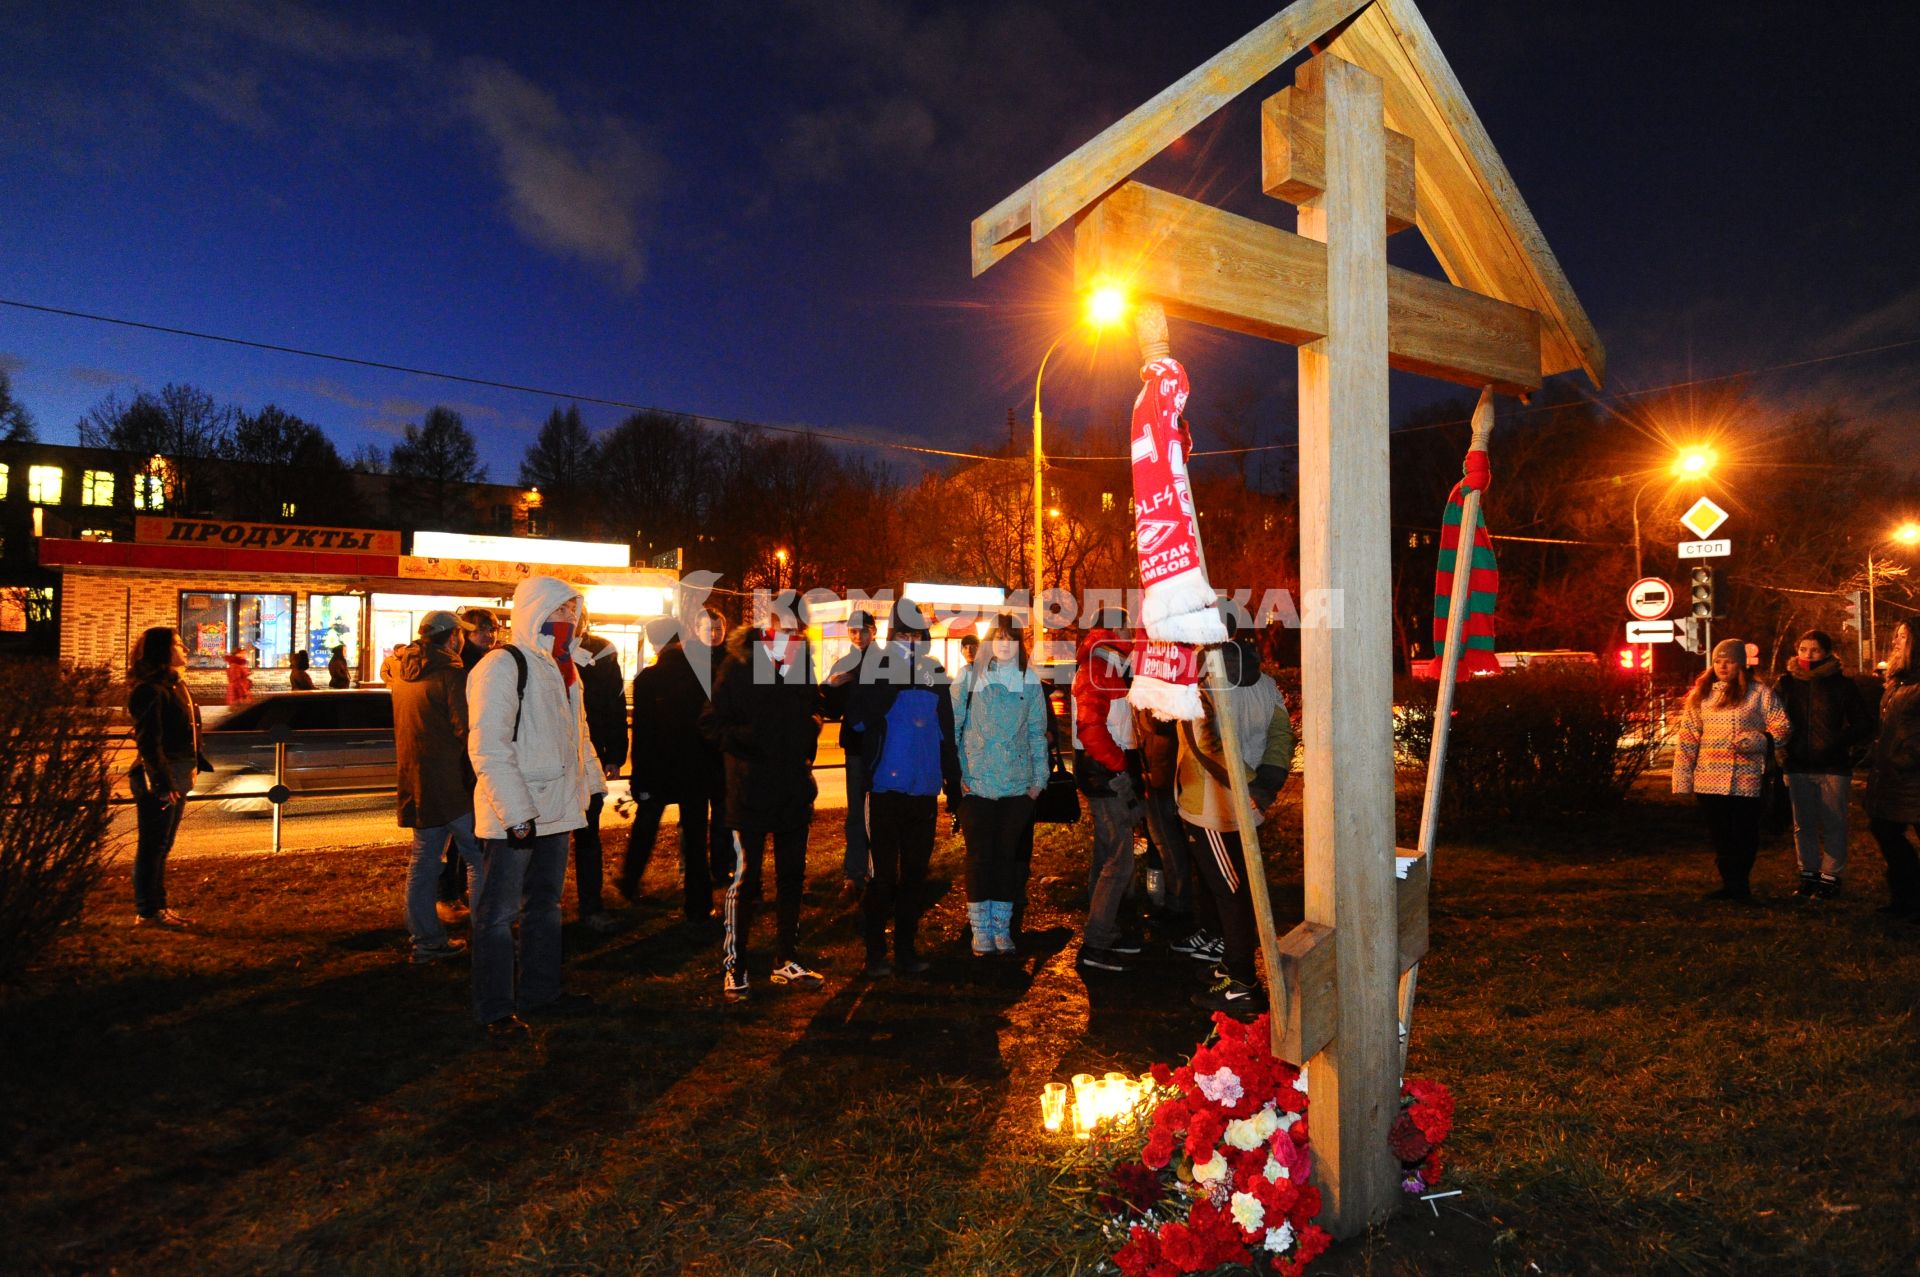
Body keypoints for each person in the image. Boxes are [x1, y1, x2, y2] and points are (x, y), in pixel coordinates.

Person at [466, 575, 607, 1042]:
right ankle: (495, 1009)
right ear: (534, 611)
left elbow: (577, 734)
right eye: (559, 610)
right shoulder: (502, 665)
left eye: (573, 611)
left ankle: (542, 991)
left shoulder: (564, 667)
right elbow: (488, 746)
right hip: (516, 816)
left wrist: (591, 784)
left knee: (545, 905)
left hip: (557, 810)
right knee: (498, 914)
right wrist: (516, 815)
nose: (568, 619)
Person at [702, 589, 825, 1001]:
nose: (788, 631)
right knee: (746, 881)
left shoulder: (802, 664)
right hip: (749, 792)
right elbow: (710, 723)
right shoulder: (738, 664)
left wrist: (807, 734)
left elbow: (808, 714)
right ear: (767, 622)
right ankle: (735, 965)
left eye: (795, 626)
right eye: (781, 623)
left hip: (791, 791)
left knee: (792, 878)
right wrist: (751, 740)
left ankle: (785, 958)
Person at [1177, 626, 1295, 1014]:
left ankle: (1242, 983)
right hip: (1250, 806)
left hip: (1213, 811)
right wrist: (1266, 786)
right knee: (1238, 890)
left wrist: (1251, 790)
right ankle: (1231, 965)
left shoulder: (1203, 689)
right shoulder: (1266, 684)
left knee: (1232, 896)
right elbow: (1282, 735)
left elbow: (1208, 746)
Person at [845, 598, 961, 977]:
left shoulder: (934, 673)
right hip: (884, 790)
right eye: (903, 634)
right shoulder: (875, 669)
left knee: (914, 877)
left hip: (923, 791)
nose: (910, 641)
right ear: (893, 634)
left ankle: (906, 951)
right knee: (883, 878)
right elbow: (856, 725)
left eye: (916, 635)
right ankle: (875, 953)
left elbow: (947, 734)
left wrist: (954, 784)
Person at [623, 609, 730, 925]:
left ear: (655, 644)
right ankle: (698, 904)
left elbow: (642, 733)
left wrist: (639, 777)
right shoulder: (704, 673)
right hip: (697, 769)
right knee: (695, 837)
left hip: (658, 768)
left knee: (646, 826)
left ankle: (630, 881)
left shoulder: (647, 680)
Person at [952, 613, 1047, 956]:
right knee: (979, 858)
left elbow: (1037, 734)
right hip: (975, 786)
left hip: (1016, 788)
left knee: (1007, 859)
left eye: (1012, 638)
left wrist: (1037, 782)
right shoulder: (969, 677)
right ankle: (980, 931)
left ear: (1020, 644)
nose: (1005, 644)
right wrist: (958, 777)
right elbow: (953, 725)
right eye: (999, 637)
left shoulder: (1030, 681)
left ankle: (1001, 929)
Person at [1673, 637, 1793, 902]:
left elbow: (1782, 726)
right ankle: (1731, 884)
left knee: (1745, 833)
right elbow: (1688, 738)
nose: (1723, 666)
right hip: (1709, 779)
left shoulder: (1760, 694)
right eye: (1718, 661)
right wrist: (1683, 779)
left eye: (1729, 661)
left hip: (1746, 778)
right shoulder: (1702, 696)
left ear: (1741, 664)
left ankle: (1740, 884)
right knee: (1721, 835)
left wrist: (1761, 740)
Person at [391, 611, 479, 964]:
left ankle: (426, 942)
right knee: (480, 857)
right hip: (454, 786)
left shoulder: (400, 671)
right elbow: (466, 728)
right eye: (461, 634)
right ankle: (489, 932)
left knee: (424, 861)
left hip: (417, 781)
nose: (463, 639)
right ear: (452, 636)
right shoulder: (451, 673)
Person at [1073, 608, 1144, 973]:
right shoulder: (1097, 669)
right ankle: (1096, 943)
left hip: (1103, 771)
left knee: (1106, 854)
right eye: (1126, 626)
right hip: (1106, 774)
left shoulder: (1106, 666)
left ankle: (1105, 930)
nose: (1131, 631)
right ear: (1112, 630)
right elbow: (1090, 727)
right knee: (1120, 859)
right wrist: (1120, 765)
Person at [1778, 629, 1873, 901]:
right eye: (1804, 649)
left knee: (1834, 823)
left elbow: (1863, 723)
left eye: (1815, 650)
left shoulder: (1842, 685)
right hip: (1797, 764)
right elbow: (1775, 720)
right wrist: (1783, 750)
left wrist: (1838, 742)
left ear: (1827, 652)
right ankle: (1808, 876)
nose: (1809, 655)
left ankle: (1830, 878)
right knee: (1803, 824)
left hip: (1833, 766)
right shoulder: (1786, 684)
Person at [127, 627, 203, 929]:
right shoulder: (150, 690)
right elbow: (149, 742)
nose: (185, 648)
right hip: (161, 779)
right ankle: (147, 910)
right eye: (177, 644)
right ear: (162, 651)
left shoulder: (174, 686)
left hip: (177, 775)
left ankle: (158, 907)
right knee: (153, 846)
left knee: (163, 845)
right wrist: (162, 783)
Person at [1137, 701, 1222, 965]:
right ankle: (1177, 902)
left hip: (1165, 774)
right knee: (1165, 844)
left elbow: (1159, 725)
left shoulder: (1167, 699)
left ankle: (1179, 904)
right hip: (1157, 772)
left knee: (1169, 845)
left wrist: (1144, 705)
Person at [570, 622, 627, 933]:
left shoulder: (600, 652)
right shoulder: (540, 650)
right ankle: (535, 908)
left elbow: (615, 703)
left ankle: (591, 906)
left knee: (588, 834)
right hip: (553, 755)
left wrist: (615, 753)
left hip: (589, 752)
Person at [1865, 618, 1920, 919]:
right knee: (1884, 829)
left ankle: (1909, 899)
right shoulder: (1899, 681)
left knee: (1887, 830)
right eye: (1896, 635)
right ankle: (1906, 898)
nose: (1896, 641)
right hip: (1893, 775)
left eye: (1904, 636)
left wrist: (1908, 754)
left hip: (1911, 774)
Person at [823, 608, 878, 898]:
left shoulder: (884, 661)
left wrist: (850, 680)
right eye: (853, 631)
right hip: (856, 748)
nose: (858, 636)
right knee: (856, 813)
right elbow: (833, 708)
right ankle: (855, 873)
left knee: (879, 811)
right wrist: (831, 688)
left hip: (881, 747)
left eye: (863, 630)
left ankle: (877, 870)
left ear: (874, 631)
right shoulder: (843, 663)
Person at [459, 608, 499, 672]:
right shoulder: (461, 663)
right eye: (482, 629)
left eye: (493, 630)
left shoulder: (492, 658)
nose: (489, 635)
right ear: (466, 632)